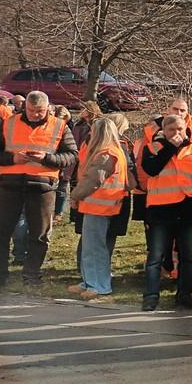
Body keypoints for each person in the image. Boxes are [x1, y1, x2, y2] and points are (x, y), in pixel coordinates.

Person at [0, 90, 77, 290]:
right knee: (0, 234)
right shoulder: (8, 123)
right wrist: (13, 159)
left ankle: (31, 275)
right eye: (31, 110)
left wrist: (46, 159)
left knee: (39, 235)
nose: (34, 114)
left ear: (48, 108)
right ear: (25, 107)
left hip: (42, 186)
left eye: (39, 111)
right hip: (9, 185)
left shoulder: (59, 126)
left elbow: (72, 155)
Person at [139, 113, 192, 311]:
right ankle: (151, 296)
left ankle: (184, 295)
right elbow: (152, 169)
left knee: (188, 256)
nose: (177, 133)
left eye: (180, 129)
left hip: (185, 210)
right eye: (172, 130)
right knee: (156, 256)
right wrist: (170, 146)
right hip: (160, 210)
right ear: (164, 130)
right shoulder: (153, 147)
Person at [66, 117, 130, 299]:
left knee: (94, 248)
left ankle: (99, 285)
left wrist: (75, 196)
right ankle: (89, 281)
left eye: (93, 130)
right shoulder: (113, 150)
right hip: (100, 206)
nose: (90, 133)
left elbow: (93, 180)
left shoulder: (106, 153)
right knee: (91, 246)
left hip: (99, 206)